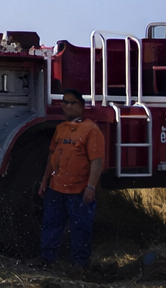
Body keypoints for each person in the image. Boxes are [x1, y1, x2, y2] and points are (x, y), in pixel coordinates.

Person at [35, 88, 106, 267]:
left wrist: (91, 186)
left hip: (79, 190)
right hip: (56, 188)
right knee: (51, 223)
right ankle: (47, 259)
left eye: (71, 102)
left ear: (81, 105)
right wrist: (45, 181)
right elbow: (52, 157)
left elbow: (97, 161)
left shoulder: (91, 129)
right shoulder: (60, 128)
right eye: (64, 102)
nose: (67, 105)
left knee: (81, 228)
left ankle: (80, 265)